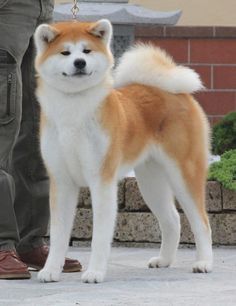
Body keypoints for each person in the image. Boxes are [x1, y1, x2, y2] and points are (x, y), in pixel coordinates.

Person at [0, 0, 82, 279]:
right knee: (3, 122)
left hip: (40, 8)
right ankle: (2, 244)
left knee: (36, 124)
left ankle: (29, 241)